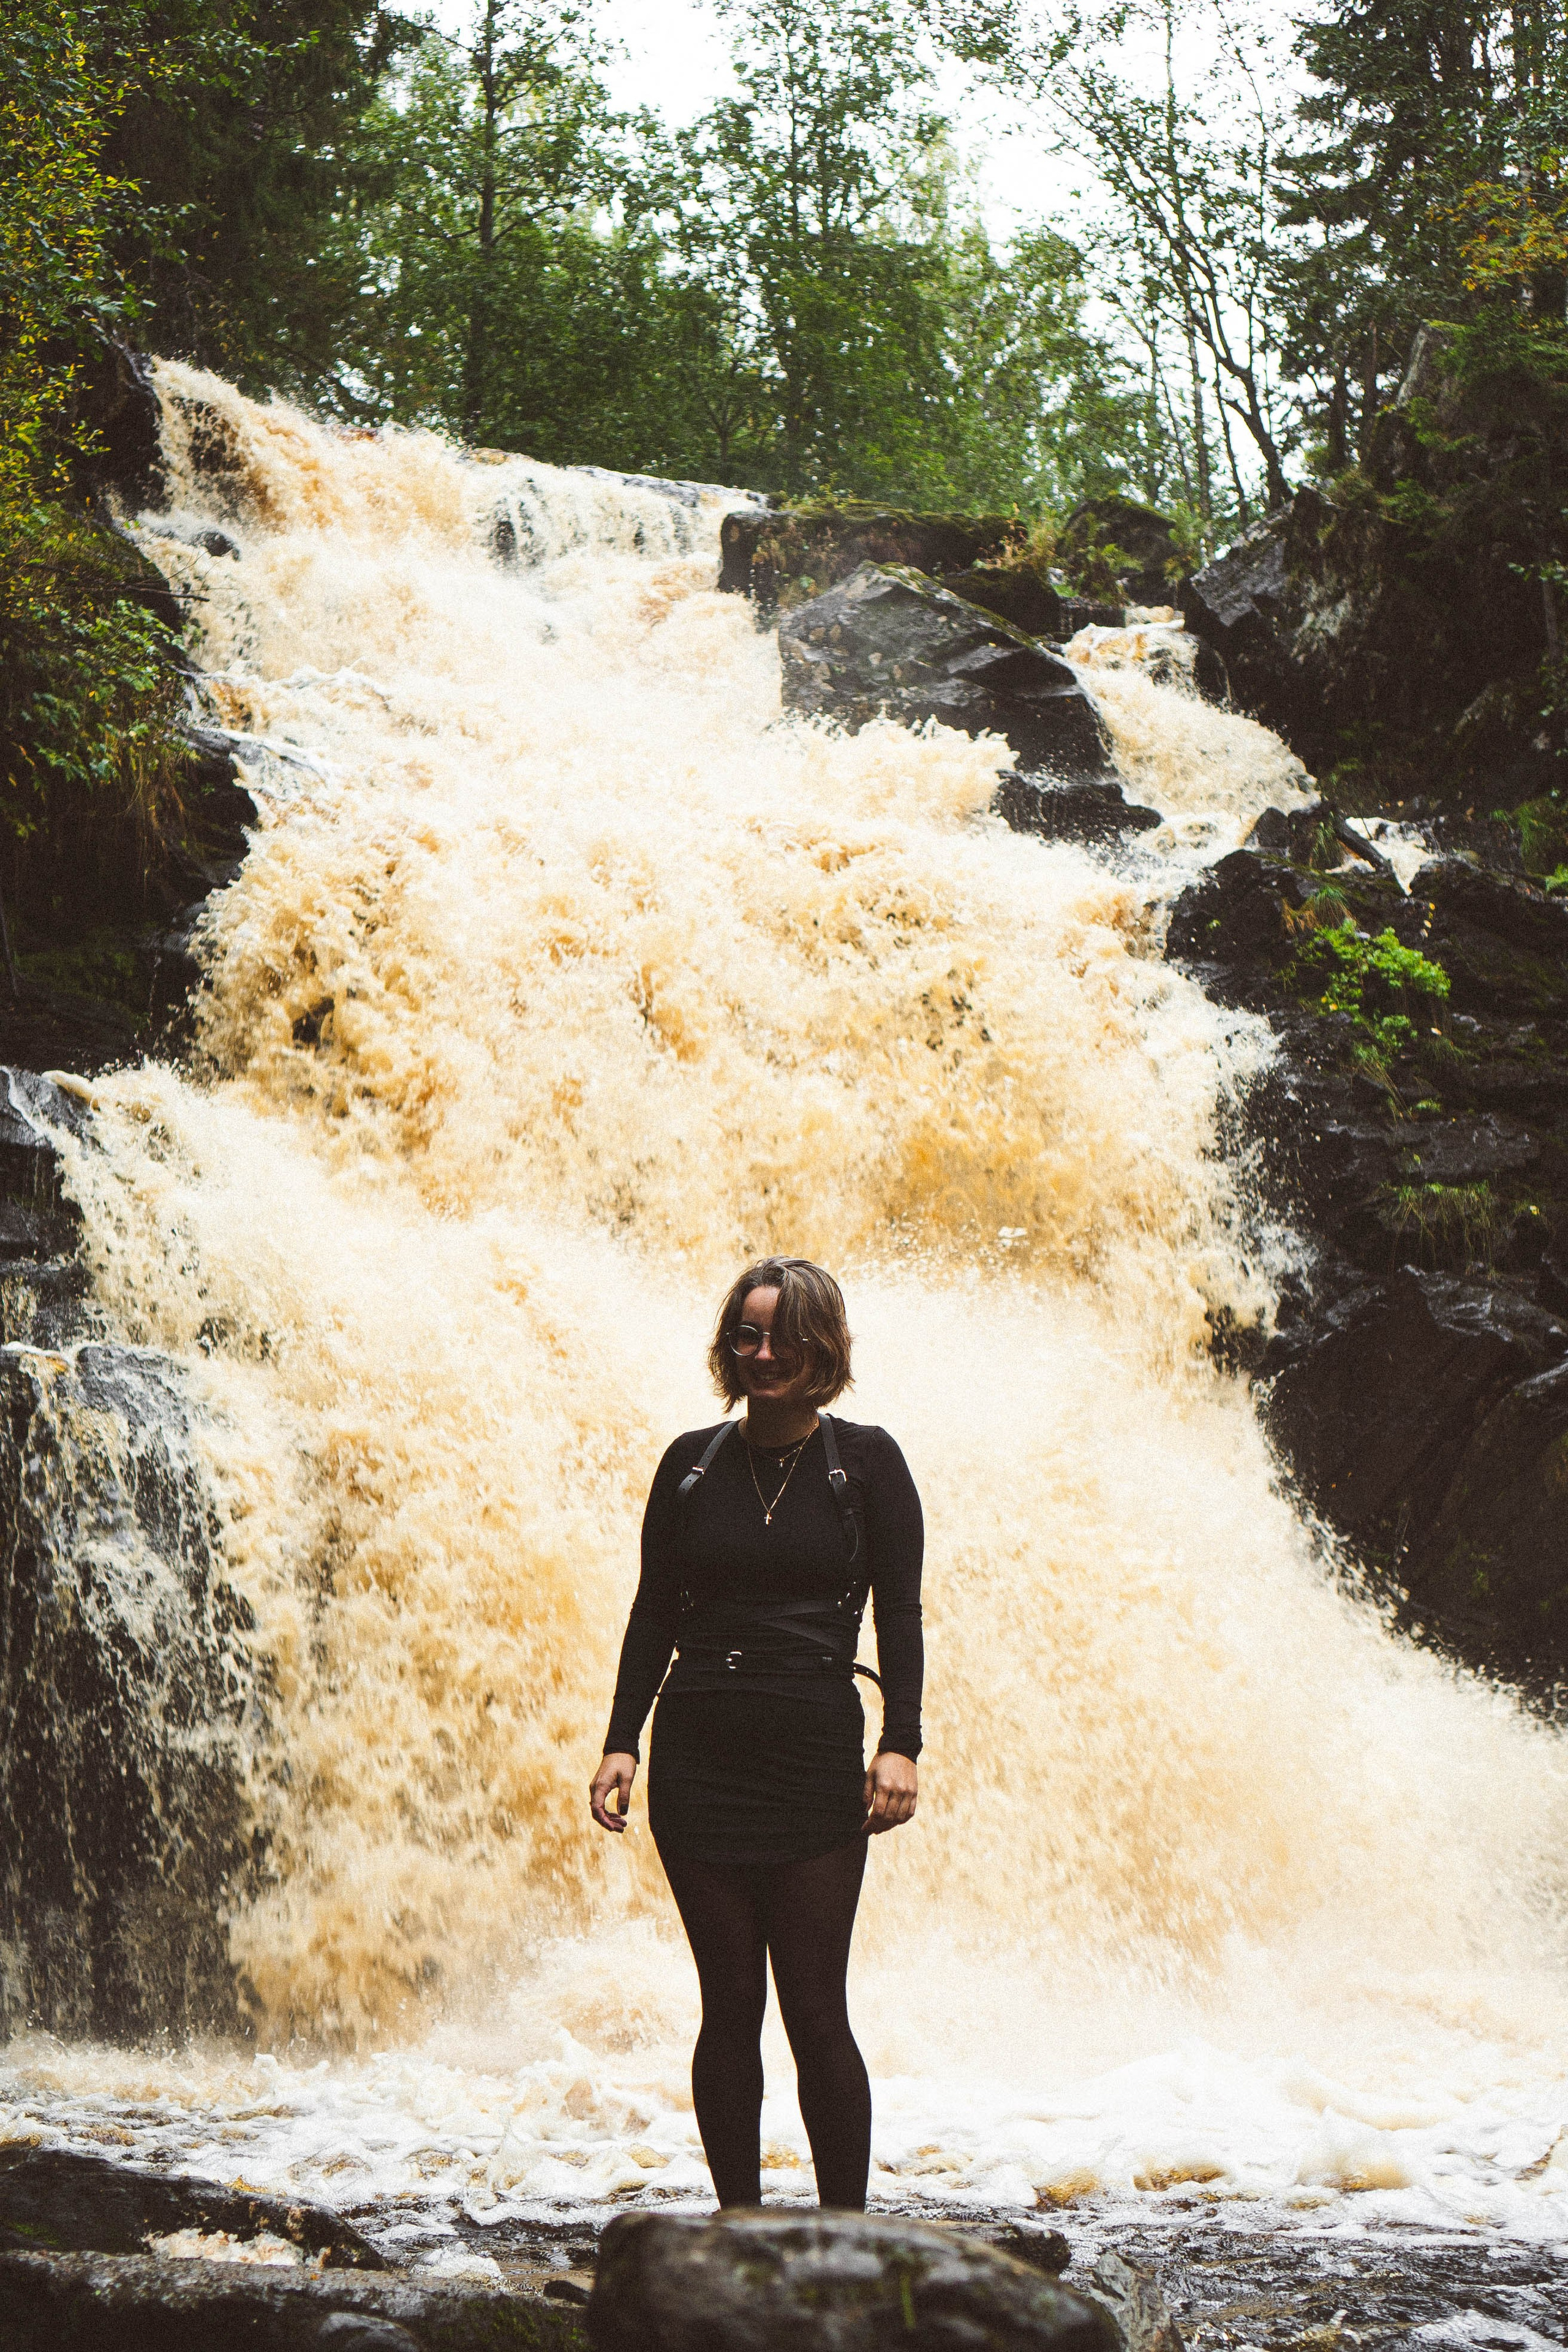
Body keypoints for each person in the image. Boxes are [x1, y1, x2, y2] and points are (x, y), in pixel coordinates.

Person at [589, 1256, 924, 2212]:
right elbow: (654, 1612)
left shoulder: (868, 1464)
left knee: (816, 2011)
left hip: (814, 1756)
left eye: (784, 1337)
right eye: (748, 1334)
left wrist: (902, 1743)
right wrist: (622, 1739)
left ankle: (845, 2236)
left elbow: (900, 1614)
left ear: (825, 1347)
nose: (764, 1354)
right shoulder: (691, 1464)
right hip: (700, 1754)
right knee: (730, 2007)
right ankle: (739, 2228)